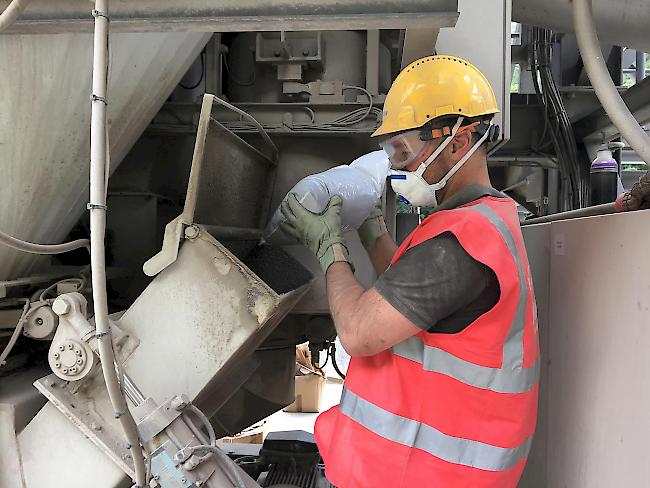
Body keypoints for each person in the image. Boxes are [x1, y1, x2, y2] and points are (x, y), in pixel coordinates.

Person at [280, 55, 540, 488]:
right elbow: (408, 293)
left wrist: (329, 245)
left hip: (424, 475)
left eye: (405, 149)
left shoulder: (461, 243)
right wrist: (372, 230)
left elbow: (360, 333)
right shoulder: (478, 221)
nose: (398, 164)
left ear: (457, 141)